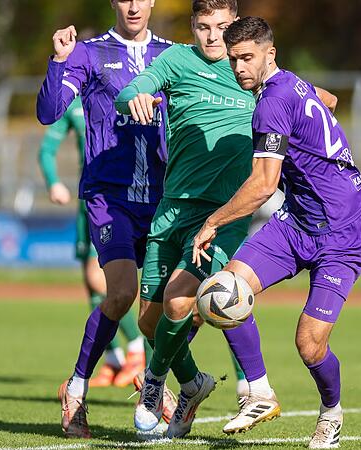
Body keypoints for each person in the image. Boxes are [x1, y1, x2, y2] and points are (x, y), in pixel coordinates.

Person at [115, 0, 306, 438]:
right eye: (203, 27)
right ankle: (193, 384)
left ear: (235, 27)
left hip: (222, 215)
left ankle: (153, 385)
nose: (213, 36)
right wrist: (137, 96)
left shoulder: (249, 70)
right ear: (193, 27)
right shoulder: (177, 60)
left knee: (182, 302)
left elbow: (308, 99)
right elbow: (131, 90)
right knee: (149, 322)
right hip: (172, 207)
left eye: (222, 26)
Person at [191, 17, 361, 449]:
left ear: (269, 54)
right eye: (234, 59)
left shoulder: (271, 102)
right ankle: (258, 392)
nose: (239, 68)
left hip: (342, 233)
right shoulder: (290, 84)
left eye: (247, 58)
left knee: (309, 345)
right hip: (298, 222)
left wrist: (212, 221)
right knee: (225, 288)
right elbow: (325, 99)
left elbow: (263, 184)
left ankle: (331, 412)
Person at [35, 0, 177, 438]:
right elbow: (48, 112)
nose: (133, 5)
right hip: (109, 198)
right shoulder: (89, 52)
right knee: (119, 294)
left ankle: (156, 385)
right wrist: (59, 61)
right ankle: (76, 389)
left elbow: (236, 85)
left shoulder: (175, 55)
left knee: (169, 307)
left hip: (161, 198)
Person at [37, 97, 146, 388]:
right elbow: (47, 150)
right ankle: (112, 360)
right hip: (88, 203)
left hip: (117, 203)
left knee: (100, 281)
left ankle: (136, 348)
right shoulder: (72, 104)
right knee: (91, 286)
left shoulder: (120, 93)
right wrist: (53, 182)